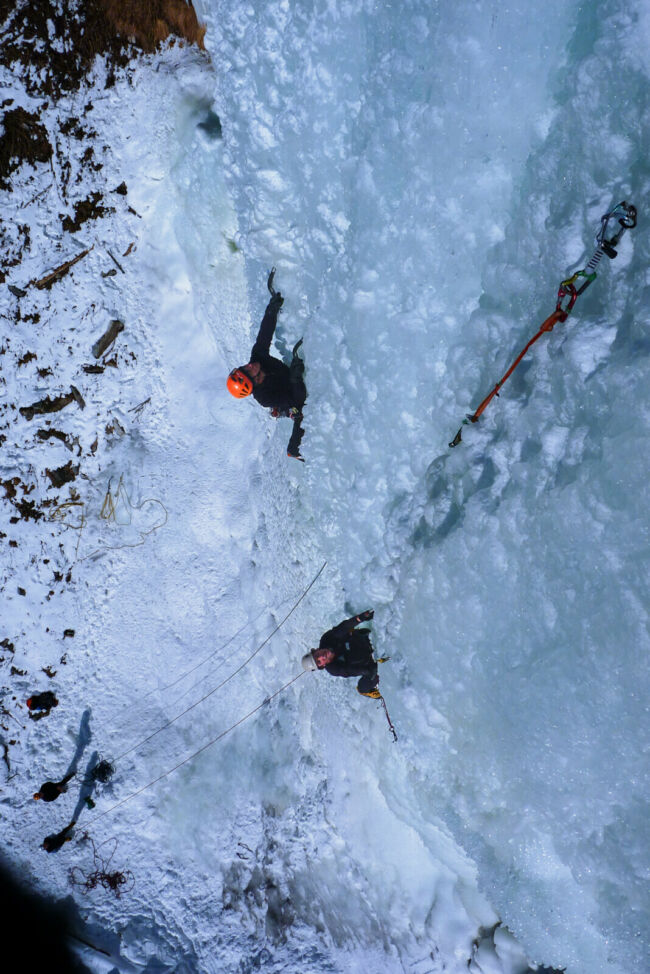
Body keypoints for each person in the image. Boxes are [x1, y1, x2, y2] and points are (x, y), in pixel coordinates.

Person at [227, 268, 307, 460]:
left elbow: (264, 335)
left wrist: (271, 309)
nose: (249, 365)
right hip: (290, 399)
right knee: (302, 413)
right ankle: (293, 449)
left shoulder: (257, 358)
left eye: (244, 368)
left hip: (287, 379)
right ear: (253, 382)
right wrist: (295, 378)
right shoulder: (265, 397)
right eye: (248, 371)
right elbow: (297, 399)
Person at [302, 610, 384, 697]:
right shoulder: (334, 669)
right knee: (362, 688)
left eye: (317, 655)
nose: (321, 657)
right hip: (369, 660)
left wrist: (360, 618)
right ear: (322, 666)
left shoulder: (326, 639)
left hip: (364, 639)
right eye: (319, 662)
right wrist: (373, 669)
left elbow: (343, 628)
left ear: (317, 650)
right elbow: (352, 670)